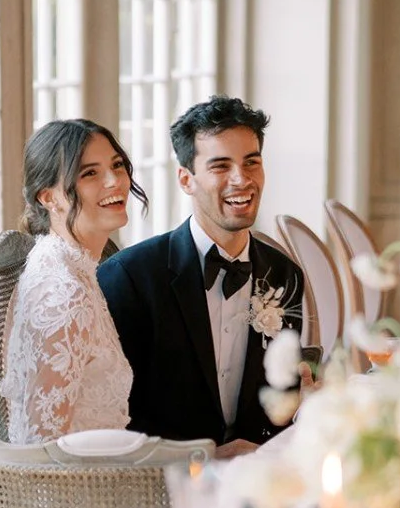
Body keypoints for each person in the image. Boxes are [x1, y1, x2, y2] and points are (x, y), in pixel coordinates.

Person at [97, 96, 303, 455]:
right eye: (220, 166)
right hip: (162, 486)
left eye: (251, 162)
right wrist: (203, 457)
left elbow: (278, 398)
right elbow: (117, 416)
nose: (242, 180)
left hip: (258, 477)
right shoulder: (130, 278)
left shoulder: (285, 275)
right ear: (186, 179)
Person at [0, 119, 145, 445]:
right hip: (80, 490)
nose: (114, 181)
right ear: (49, 198)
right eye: (89, 173)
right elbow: (41, 447)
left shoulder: (70, 265)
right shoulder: (63, 294)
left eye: (117, 165)